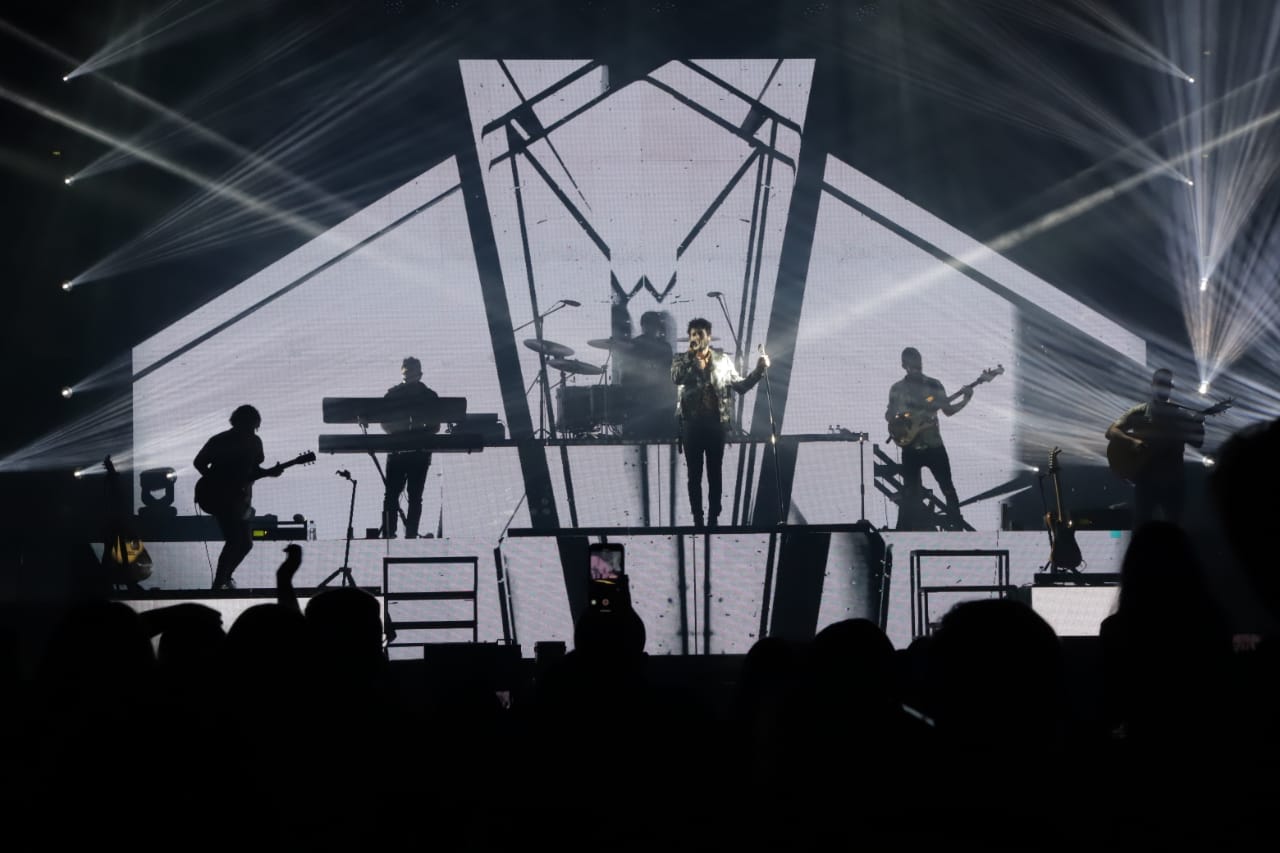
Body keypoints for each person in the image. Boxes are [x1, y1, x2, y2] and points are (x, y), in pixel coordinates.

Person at [671, 317, 768, 528]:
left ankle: (714, 516)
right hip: (692, 425)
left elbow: (740, 386)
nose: (696, 338)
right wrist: (691, 362)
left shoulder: (722, 360)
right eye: (693, 334)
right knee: (693, 474)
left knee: (715, 471)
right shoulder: (680, 359)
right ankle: (697, 517)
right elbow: (676, 378)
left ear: (708, 336)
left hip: (715, 424)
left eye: (700, 334)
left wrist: (759, 371)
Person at [193, 404, 282, 590]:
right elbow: (199, 463)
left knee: (245, 544)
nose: (252, 430)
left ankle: (224, 578)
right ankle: (219, 582)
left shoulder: (251, 442)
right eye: (250, 425)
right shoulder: (222, 440)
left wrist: (270, 473)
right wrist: (218, 482)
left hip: (238, 498)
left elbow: (253, 470)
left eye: (253, 427)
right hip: (222, 497)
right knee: (236, 540)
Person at [1105, 368, 1204, 526]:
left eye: (1167, 384)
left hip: (1173, 482)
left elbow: (1198, 442)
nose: (1164, 388)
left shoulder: (1181, 415)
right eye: (1160, 384)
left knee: (1174, 528)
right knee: (1142, 526)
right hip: (1145, 481)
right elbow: (1111, 431)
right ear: (1153, 385)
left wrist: (1198, 424)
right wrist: (1132, 442)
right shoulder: (1139, 411)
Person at [885, 347, 970, 531]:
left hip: (933, 445)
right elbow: (889, 415)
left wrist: (965, 399)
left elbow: (947, 410)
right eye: (912, 363)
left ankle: (956, 525)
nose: (916, 367)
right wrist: (901, 425)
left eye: (917, 362)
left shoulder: (934, 385)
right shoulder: (896, 389)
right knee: (910, 492)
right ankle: (907, 530)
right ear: (904, 366)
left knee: (947, 487)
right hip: (911, 447)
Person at [380, 356, 440, 539]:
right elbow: (435, 427)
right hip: (420, 453)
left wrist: (399, 435)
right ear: (420, 374)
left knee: (391, 495)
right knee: (416, 497)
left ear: (402, 373)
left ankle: (390, 533)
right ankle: (411, 534)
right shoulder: (430, 396)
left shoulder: (392, 395)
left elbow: (384, 423)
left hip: (397, 452)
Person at [621, 310, 677, 439]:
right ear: (643, 326)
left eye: (653, 325)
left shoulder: (664, 347)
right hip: (640, 396)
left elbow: (668, 371)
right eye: (648, 324)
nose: (651, 328)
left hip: (657, 395)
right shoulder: (634, 345)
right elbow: (627, 373)